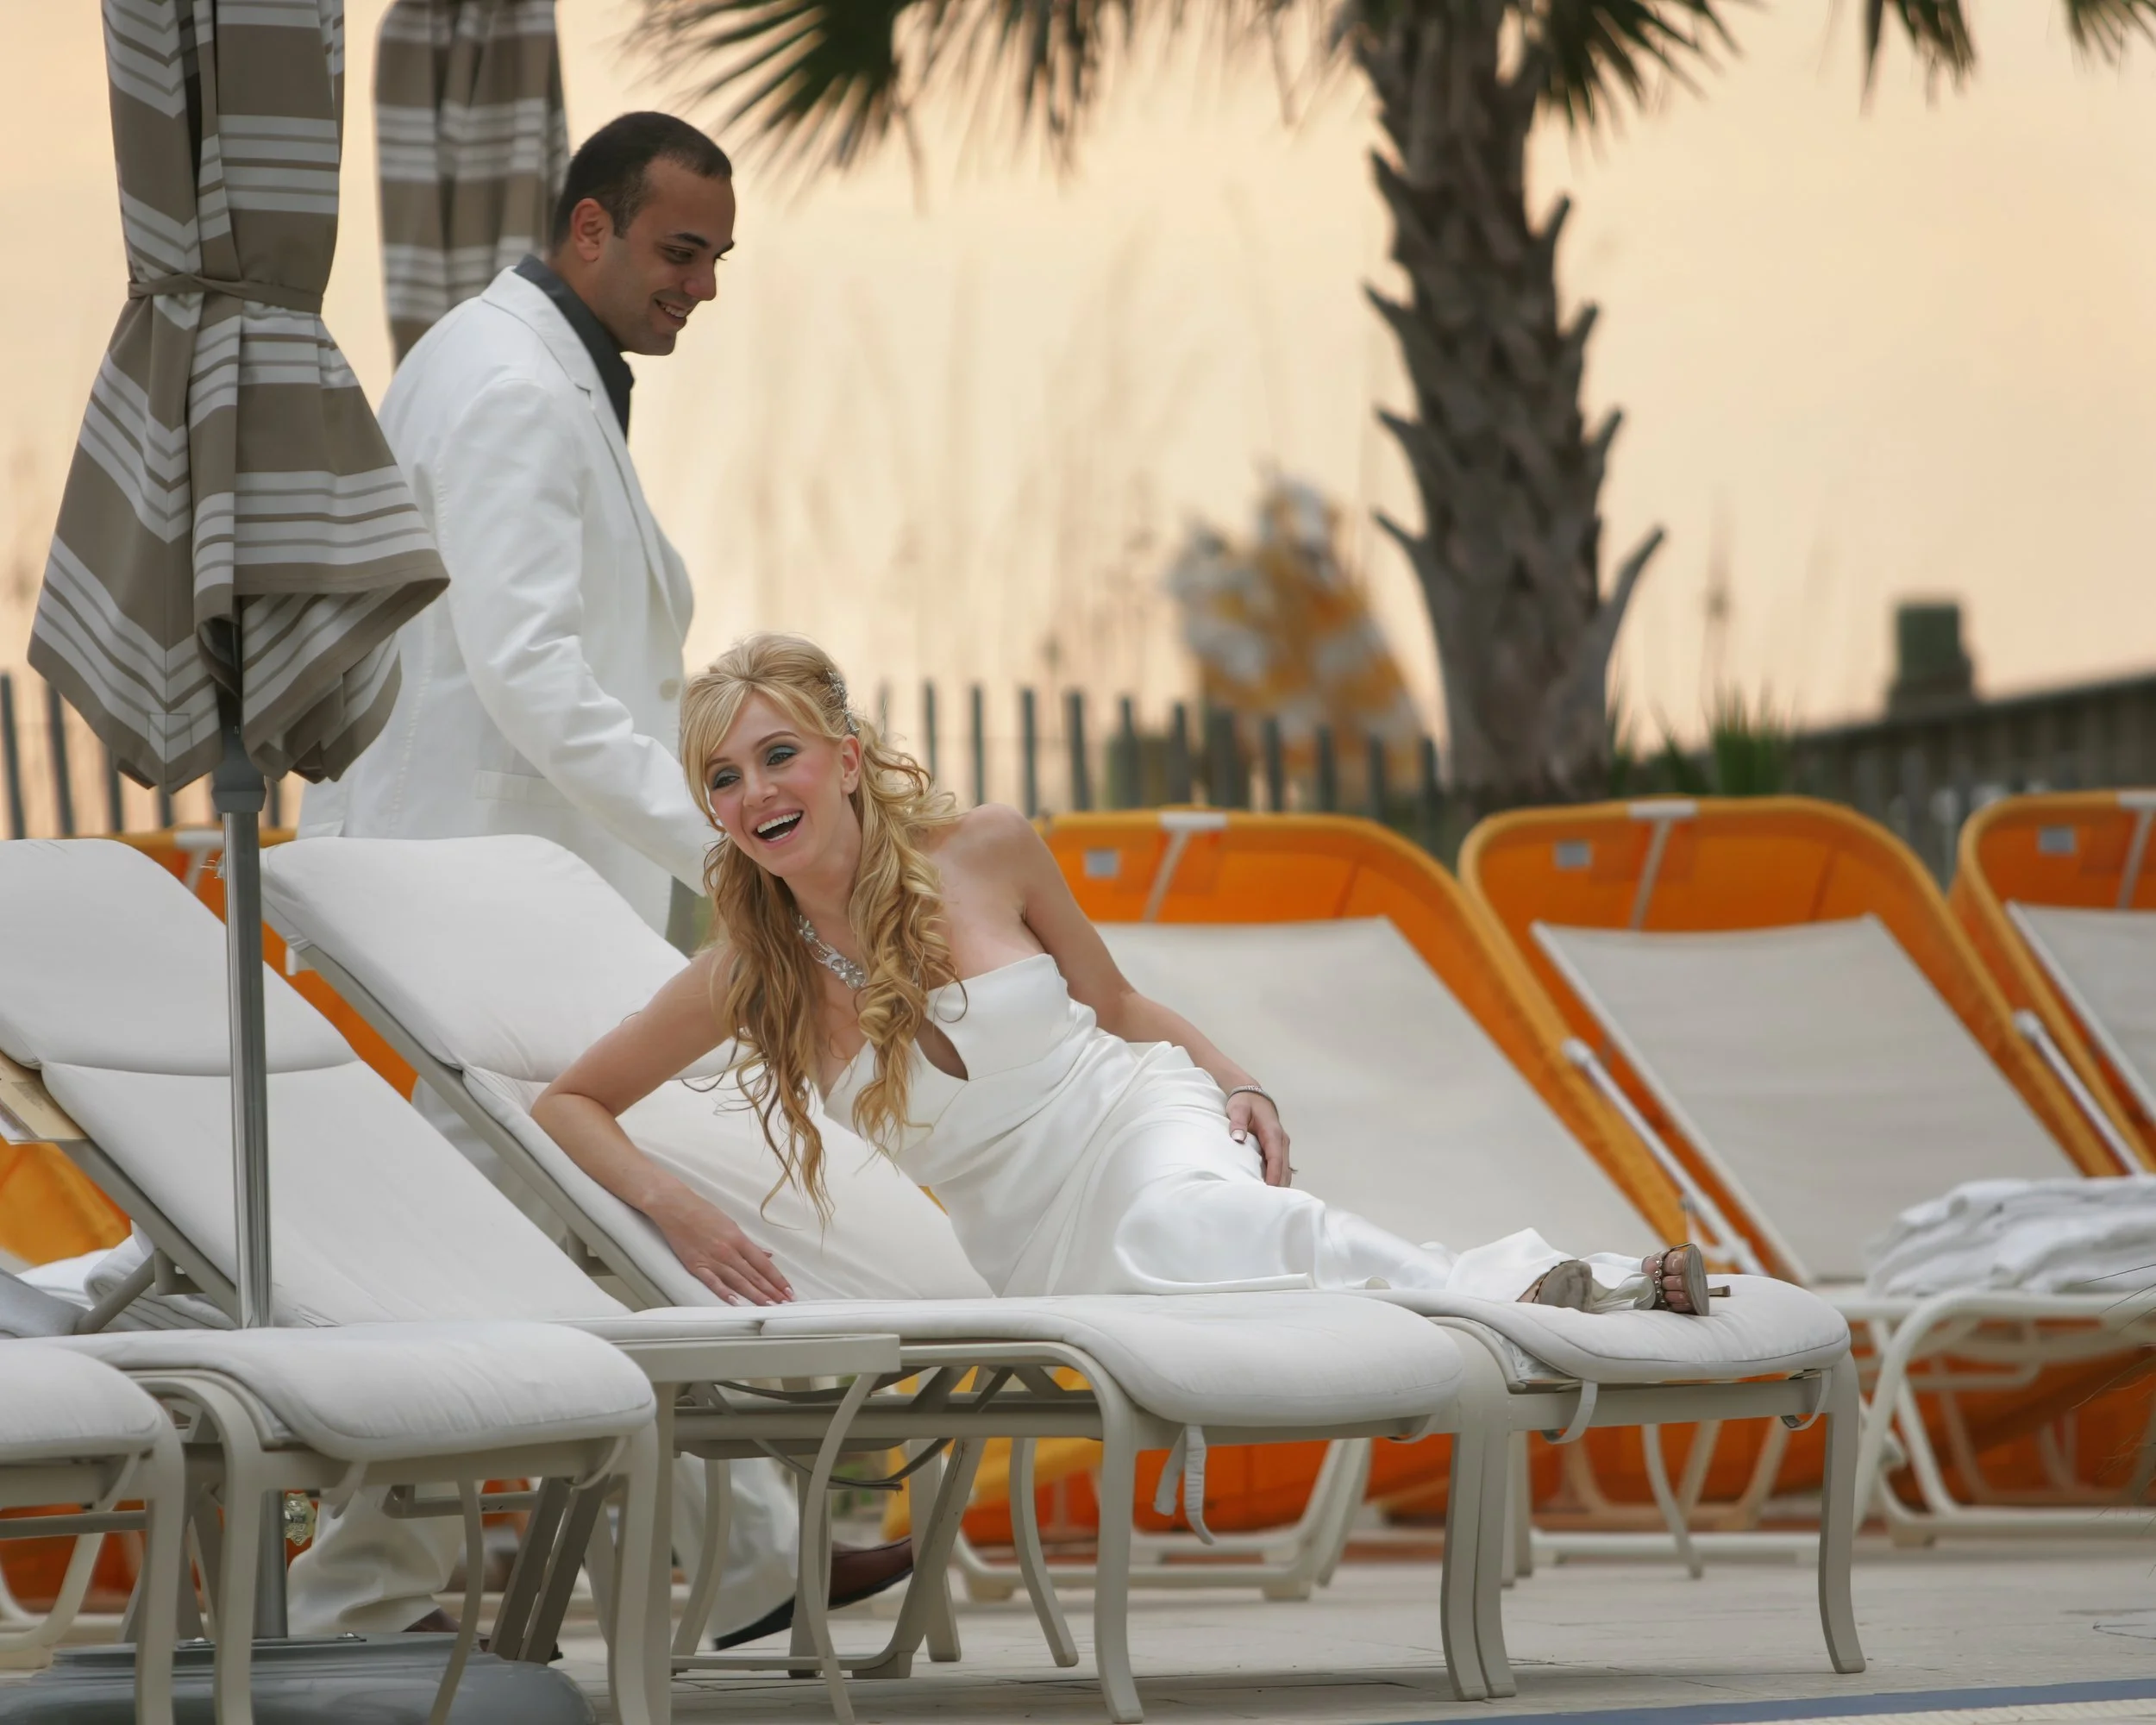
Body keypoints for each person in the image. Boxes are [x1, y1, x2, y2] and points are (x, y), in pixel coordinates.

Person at [291, 118, 909, 1647]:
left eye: (716, 259)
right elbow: (532, 672)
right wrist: (731, 847)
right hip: (478, 897)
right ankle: (355, 1602)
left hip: (495, 894)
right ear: (588, 230)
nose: (700, 286)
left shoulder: (521, 366)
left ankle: (741, 1552)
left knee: (549, 1237)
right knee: (521, 1239)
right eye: (676, 251)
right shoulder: (509, 386)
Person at [530, 633, 1723, 1337]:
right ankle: (1514, 1290)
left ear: (845, 760)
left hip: (1136, 1115)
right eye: (724, 780)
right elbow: (569, 1102)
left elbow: (1120, 1008)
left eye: (777, 755)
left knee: (1193, 1217)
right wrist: (674, 1206)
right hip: (1034, 1239)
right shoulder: (748, 973)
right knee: (1196, 1247)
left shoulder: (987, 849)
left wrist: (1235, 1080)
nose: (754, 796)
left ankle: (1546, 1288)